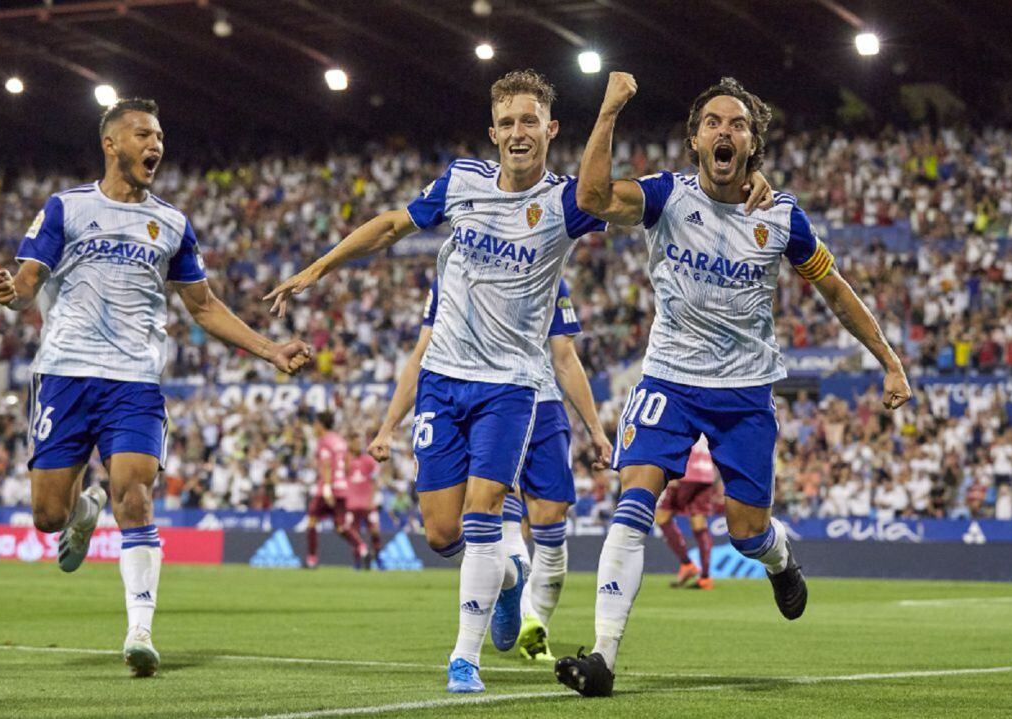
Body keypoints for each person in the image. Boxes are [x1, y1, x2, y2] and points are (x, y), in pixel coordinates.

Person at [266, 68, 771, 694]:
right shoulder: (460, 183)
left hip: (511, 385)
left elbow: (640, 196)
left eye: (529, 120)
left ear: (550, 129)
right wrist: (315, 270)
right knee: (442, 531)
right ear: (493, 132)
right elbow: (391, 226)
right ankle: (509, 579)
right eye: (506, 122)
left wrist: (748, 181)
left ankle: (464, 659)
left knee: (483, 514)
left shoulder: (565, 203)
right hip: (442, 380)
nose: (517, 132)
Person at [555, 73, 912, 697]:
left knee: (746, 533)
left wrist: (887, 358)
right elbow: (589, 198)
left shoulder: (780, 216)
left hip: (745, 392)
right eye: (714, 123)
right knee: (633, 502)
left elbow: (834, 292)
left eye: (738, 124)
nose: (726, 131)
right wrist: (609, 109)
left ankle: (780, 560)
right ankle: (604, 657)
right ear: (695, 141)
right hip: (668, 377)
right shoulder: (668, 197)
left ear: (753, 144)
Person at [0, 98, 311, 677]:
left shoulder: (174, 223)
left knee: (134, 498)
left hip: (134, 380)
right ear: (112, 144)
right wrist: (11, 290)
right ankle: (84, 512)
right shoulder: (66, 207)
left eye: (159, 135)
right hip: (65, 373)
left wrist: (270, 349)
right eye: (142, 134)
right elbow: (28, 283)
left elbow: (203, 307)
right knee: (46, 516)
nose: (154, 144)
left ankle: (139, 630)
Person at [368, 276, 612, 662]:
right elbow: (423, 352)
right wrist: (389, 423)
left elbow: (564, 356)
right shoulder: (450, 271)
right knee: (484, 518)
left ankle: (534, 625)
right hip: (481, 401)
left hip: (540, 402)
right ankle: (513, 595)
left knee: (549, 524)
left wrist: (594, 428)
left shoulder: (543, 264)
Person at [306, 412, 368, 569]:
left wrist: (327, 487)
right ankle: (362, 548)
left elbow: (326, 464)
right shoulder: (340, 441)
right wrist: (342, 481)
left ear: (320, 425)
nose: (314, 427)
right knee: (340, 526)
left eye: (315, 424)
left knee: (312, 521)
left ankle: (311, 559)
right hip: (342, 488)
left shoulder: (324, 441)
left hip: (328, 487)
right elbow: (347, 464)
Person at [656, 436, 717, 590]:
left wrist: (671, 471)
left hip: (685, 472)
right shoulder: (711, 414)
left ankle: (686, 563)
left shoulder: (684, 411)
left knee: (662, 517)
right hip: (705, 472)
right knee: (699, 524)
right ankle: (705, 578)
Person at [344, 431, 383, 569]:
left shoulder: (368, 460)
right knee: (354, 535)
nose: (358, 444)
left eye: (359, 442)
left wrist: (372, 499)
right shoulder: (345, 460)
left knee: (375, 531)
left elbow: (375, 481)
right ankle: (357, 562)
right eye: (355, 442)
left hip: (367, 504)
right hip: (351, 504)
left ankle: (378, 559)